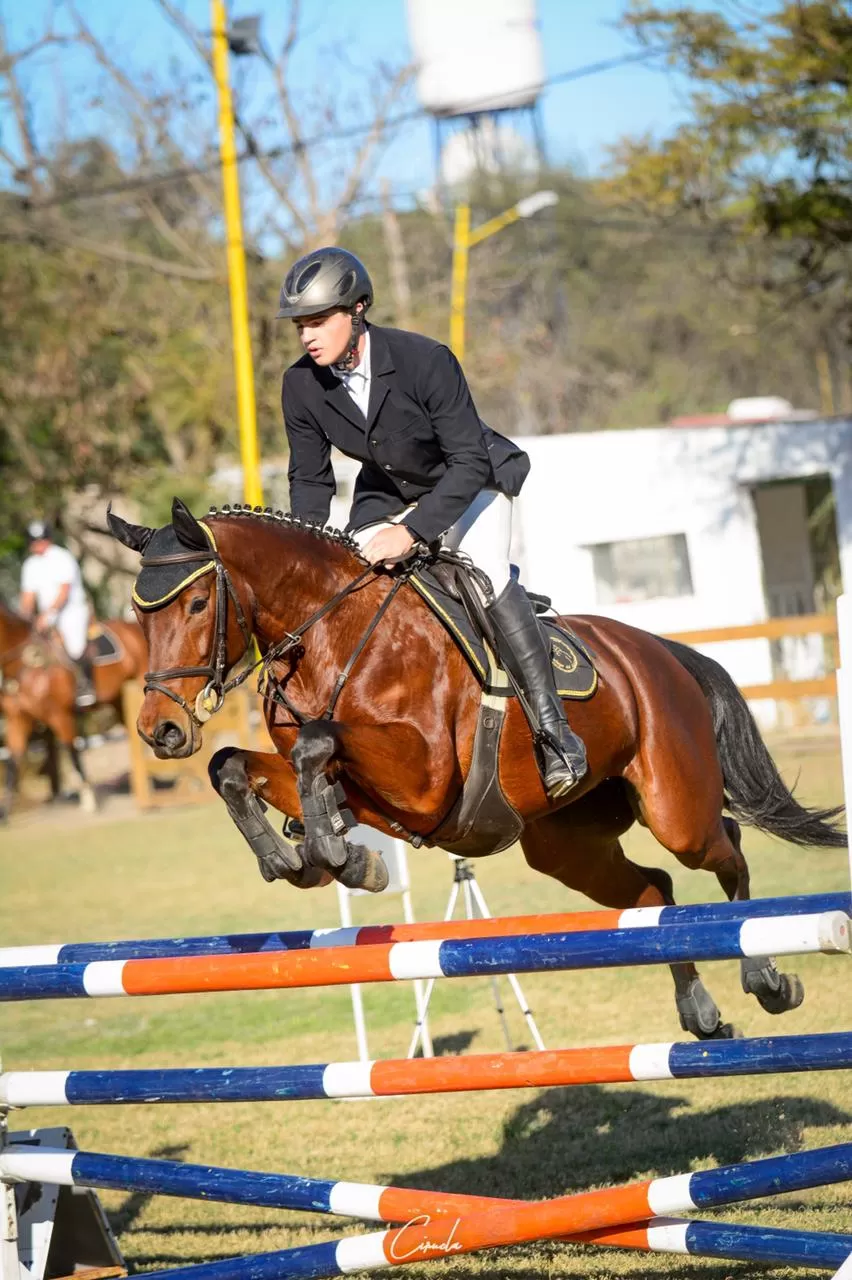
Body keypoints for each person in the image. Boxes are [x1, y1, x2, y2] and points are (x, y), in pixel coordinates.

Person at [277, 247, 587, 799]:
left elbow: (467, 461)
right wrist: (305, 554)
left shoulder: (425, 360)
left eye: (319, 320)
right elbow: (311, 482)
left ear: (358, 310)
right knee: (347, 584)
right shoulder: (300, 385)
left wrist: (414, 532)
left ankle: (554, 730)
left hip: (470, 479)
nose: (307, 336)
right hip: (386, 493)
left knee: (485, 573)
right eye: (301, 325)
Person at [19, 521, 96, 708]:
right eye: (34, 541)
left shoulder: (62, 557)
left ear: (48, 539)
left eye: (41, 540)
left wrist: (47, 615)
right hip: (45, 615)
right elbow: (28, 596)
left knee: (74, 647)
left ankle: (84, 685)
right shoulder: (30, 565)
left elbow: (64, 591)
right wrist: (24, 617)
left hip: (71, 610)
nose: (37, 544)